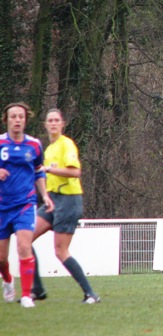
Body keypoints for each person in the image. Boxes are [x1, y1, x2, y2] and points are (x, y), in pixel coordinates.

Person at [31, 108, 100, 303]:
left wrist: (49, 169)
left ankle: (90, 293)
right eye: (49, 120)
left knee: (60, 251)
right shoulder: (49, 149)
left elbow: (75, 172)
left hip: (69, 200)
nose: (53, 123)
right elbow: (43, 174)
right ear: (45, 125)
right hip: (52, 200)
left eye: (56, 120)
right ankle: (38, 289)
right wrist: (45, 195)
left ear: (62, 124)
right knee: (25, 238)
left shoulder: (66, 144)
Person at [0, 102, 54, 308]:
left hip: (25, 203)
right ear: (6, 120)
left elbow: (39, 170)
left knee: (24, 247)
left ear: (25, 119)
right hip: (2, 206)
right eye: (13, 117)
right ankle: (7, 279)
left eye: (21, 117)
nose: (17, 120)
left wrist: (45, 195)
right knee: (1, 259)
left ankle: (26, 296)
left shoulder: (34, 145)